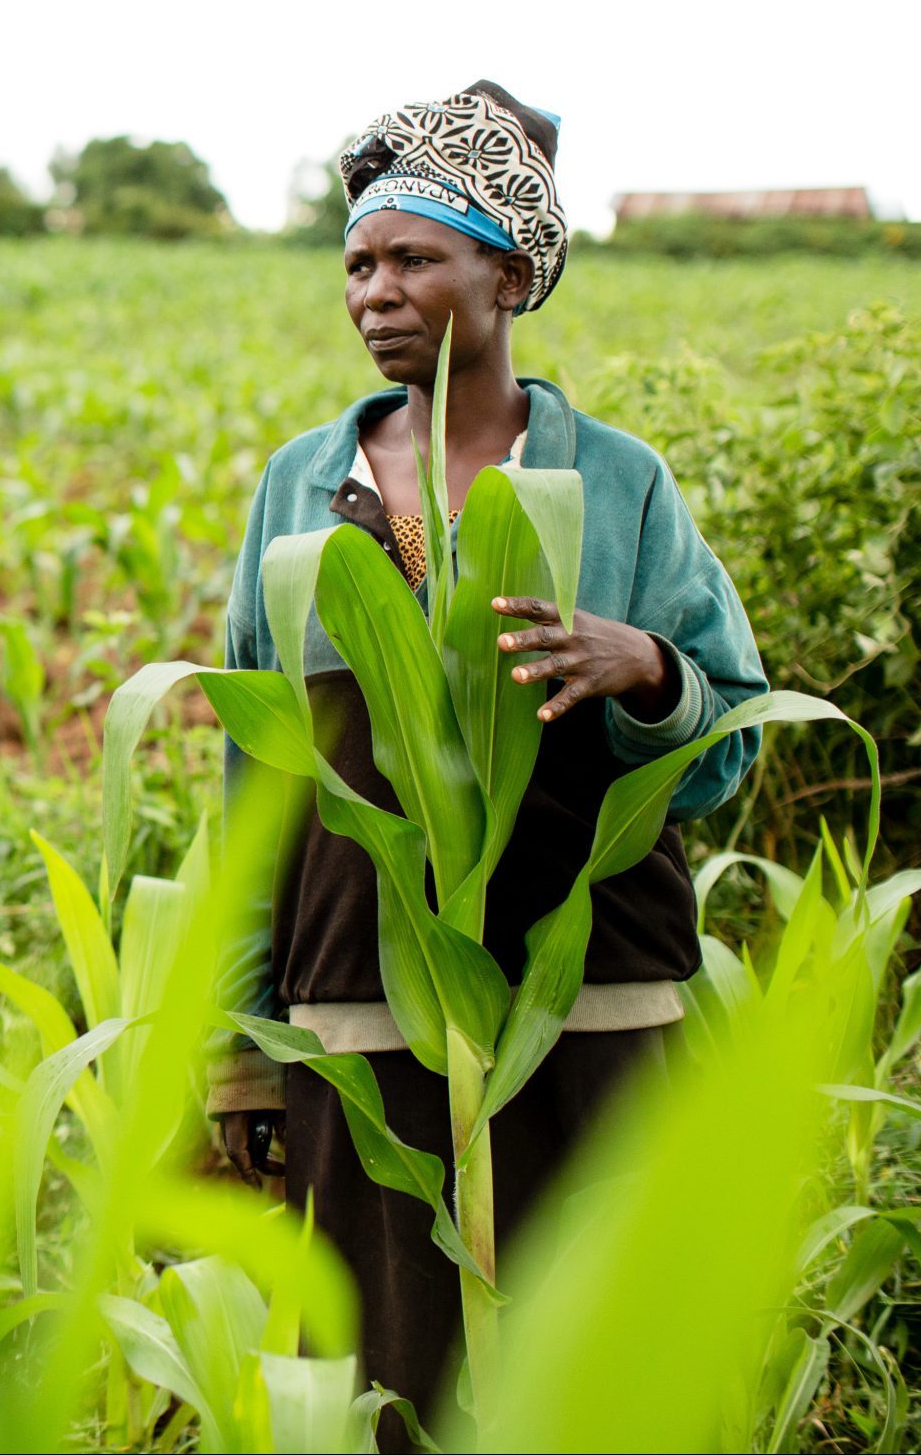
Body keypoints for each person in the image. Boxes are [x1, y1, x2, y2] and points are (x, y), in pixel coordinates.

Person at [208, 82, 766, 1411]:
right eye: (357, 263)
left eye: (414, 258)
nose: (375, 291)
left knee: (608, 1358)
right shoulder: (300, 487)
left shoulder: (614, 482)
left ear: (509, 273)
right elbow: (258, 778)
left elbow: (732, 740)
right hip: (361, 993)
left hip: (594, 988)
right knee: (392, 1362)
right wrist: (245, 1037)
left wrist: (649, 672)